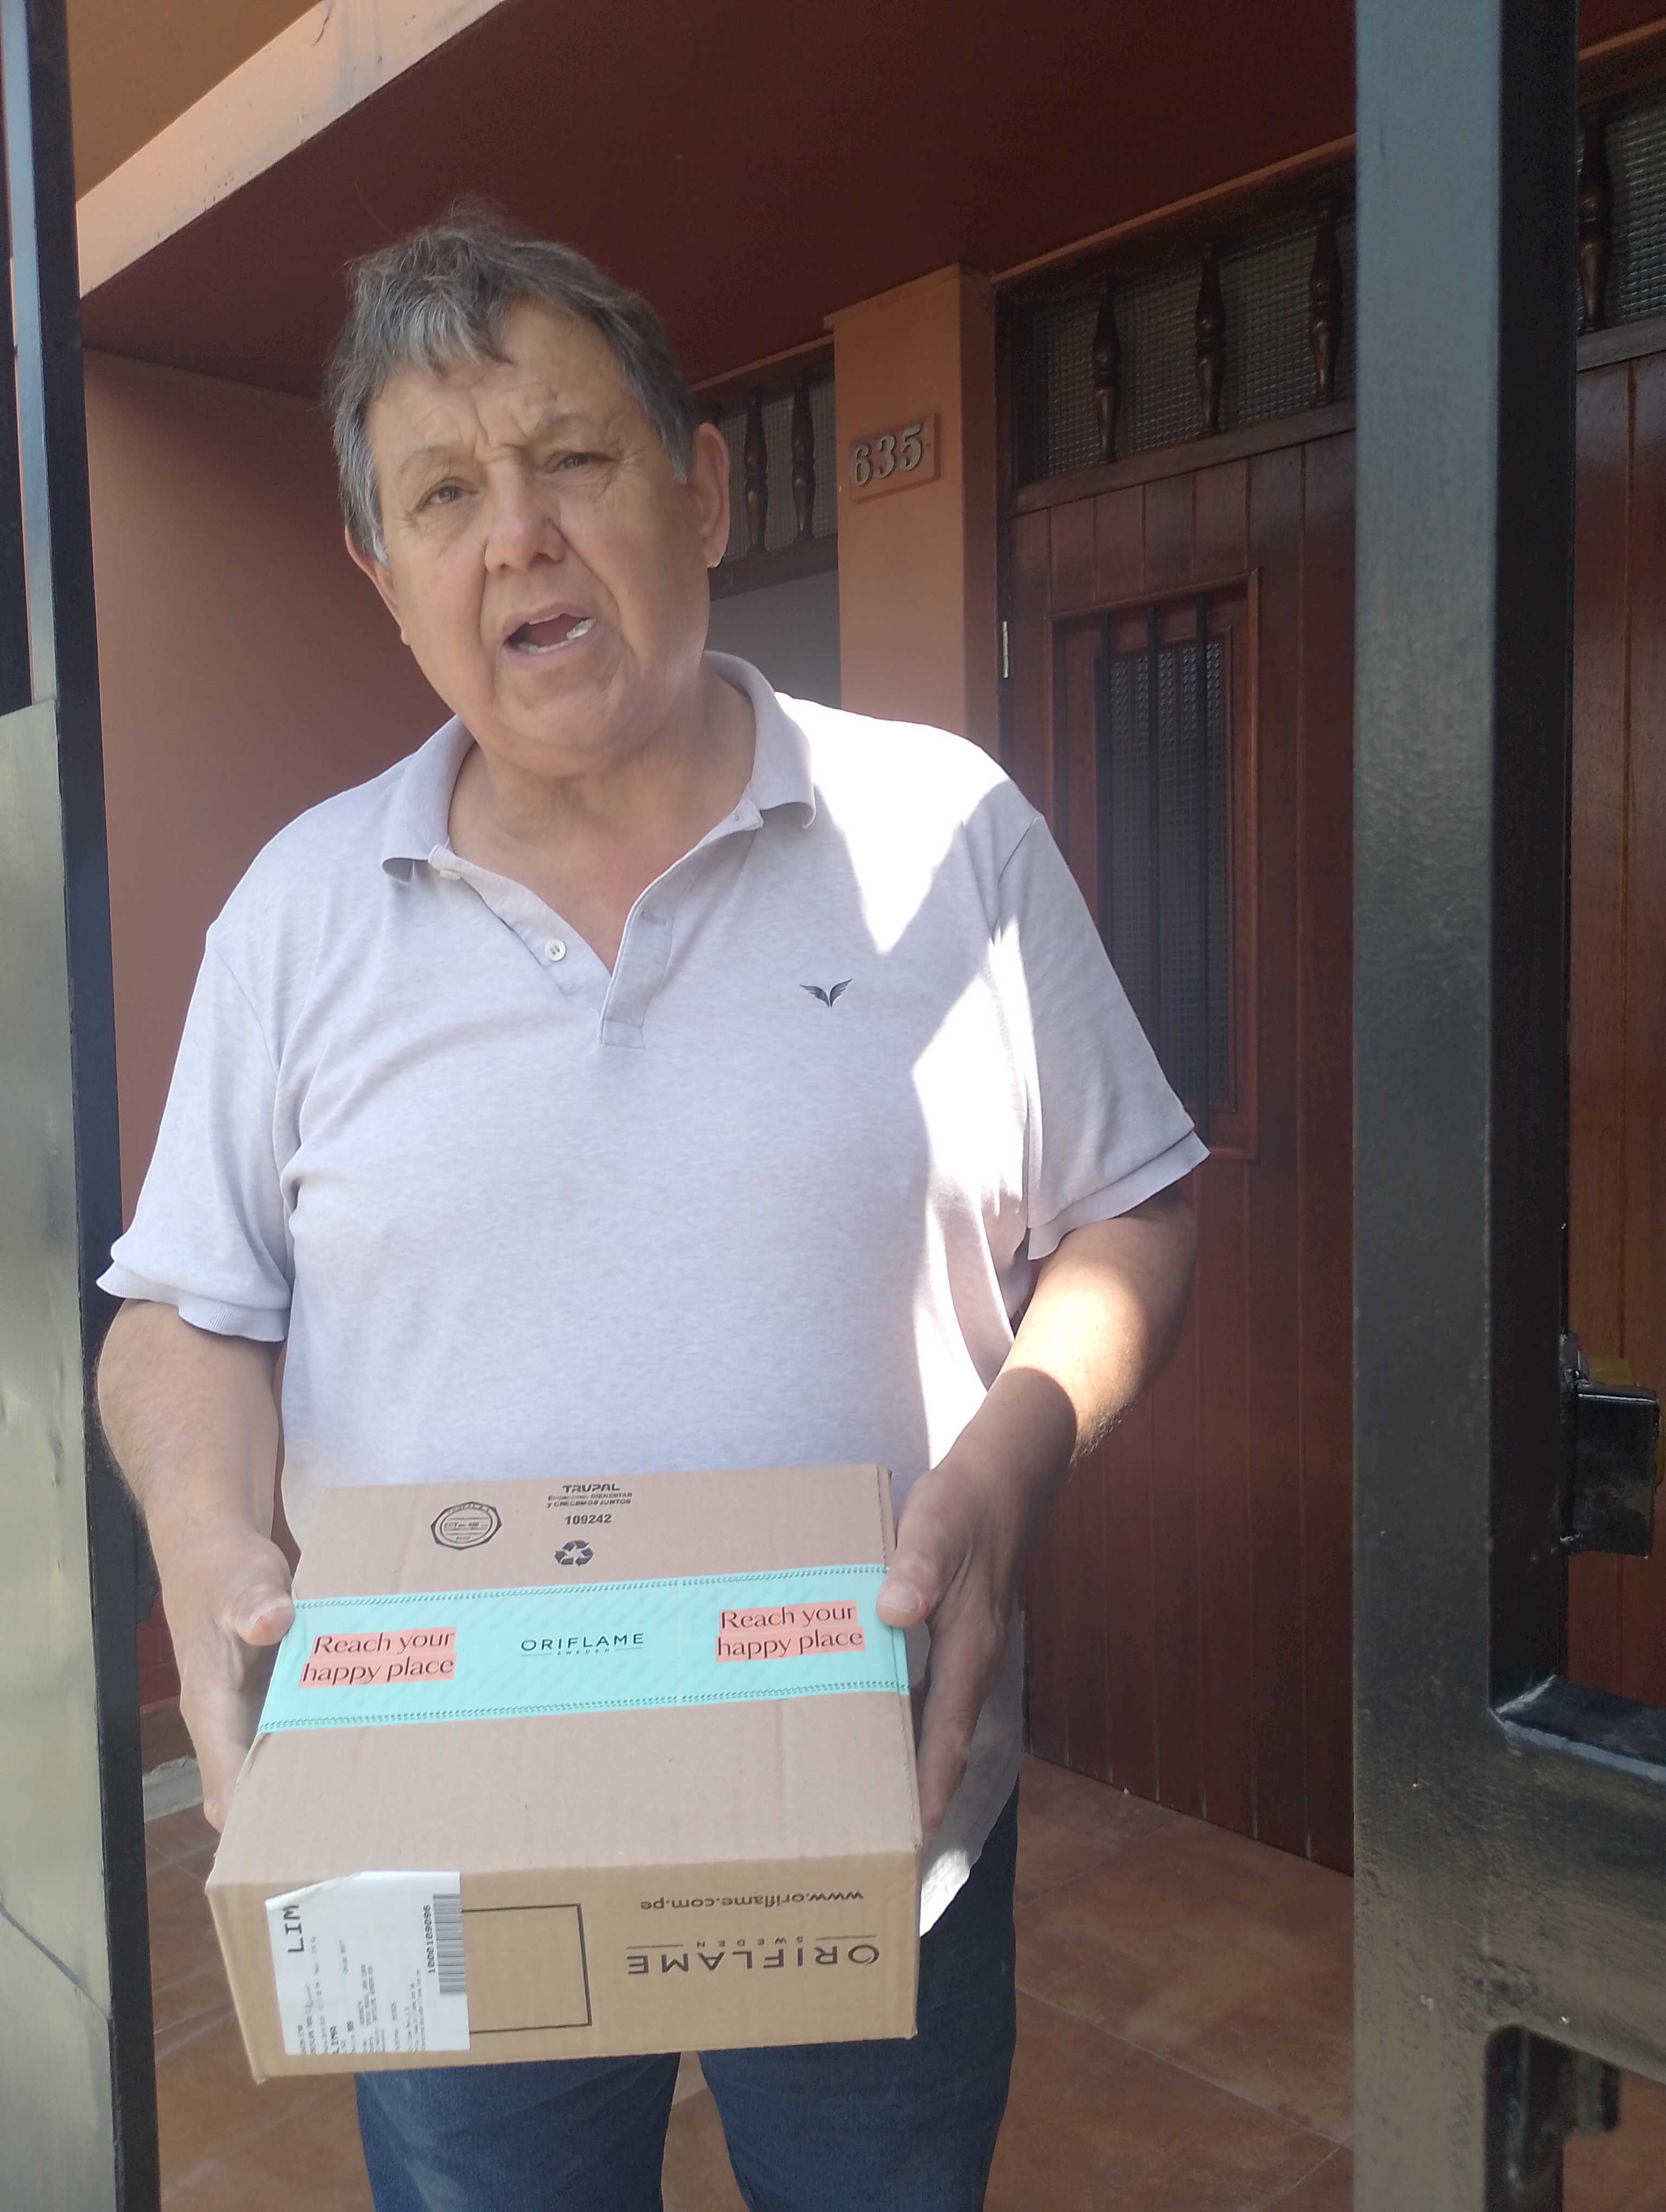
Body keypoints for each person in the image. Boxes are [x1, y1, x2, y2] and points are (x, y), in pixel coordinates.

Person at [96, 207, 1202, 2212]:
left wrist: (1015, 1459)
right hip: (436, 1821)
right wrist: (200, 1542)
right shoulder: (294, 917)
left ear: (701, 491)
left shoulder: (946, 831)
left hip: (871, 1798)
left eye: (571, 457)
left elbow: (1132, 1212)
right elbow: (184, 1311)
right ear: (383, 577)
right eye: (444, 495)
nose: (516, 534)